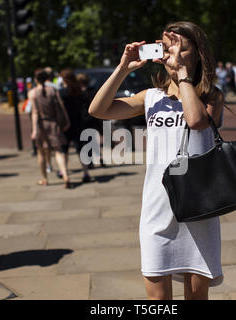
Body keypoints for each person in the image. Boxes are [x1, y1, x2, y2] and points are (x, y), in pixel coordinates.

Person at [89, 21, 225, 300]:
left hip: (198, 210)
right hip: (157, 209)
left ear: (198, 54)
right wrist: (123, 69)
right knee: (158, 302)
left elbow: (197, 120)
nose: (170, 54)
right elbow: (98, 110)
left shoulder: (211, 96)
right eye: (165, 47)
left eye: (180, 47)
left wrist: (183, 76)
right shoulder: (150, 98)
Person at [30, 69, 72, 188]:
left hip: (41, 125)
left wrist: (34, 130)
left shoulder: (33, 93)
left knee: (42, 153)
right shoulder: (53, 90)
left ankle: (44, 178)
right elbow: (61, 106)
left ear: (36, 79)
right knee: (59, 151)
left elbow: (34, 113)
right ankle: (65, 175)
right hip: (54, 123)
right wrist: (66, 121)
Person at [59, 68, 91, 183]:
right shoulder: (79, 91)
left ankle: (64, 174)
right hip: (78, 123)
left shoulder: (62, 92)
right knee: (80, 149)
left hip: (65, 124)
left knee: (63, 150)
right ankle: (86, 172)